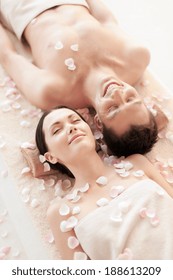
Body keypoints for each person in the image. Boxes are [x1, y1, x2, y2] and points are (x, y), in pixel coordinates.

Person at [0, 0, 157, 157]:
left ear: (98, 122)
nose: (116, 93)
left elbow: (8, 56)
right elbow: (106, 19)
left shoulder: (52, 92)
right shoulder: (136, 57)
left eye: (112, 108)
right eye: (130, 99)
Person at [35, 106, 173, 260]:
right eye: (57, 130)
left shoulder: (137, 162)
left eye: (75, 121)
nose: (71, 128)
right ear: (50, 157)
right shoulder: (60, 212)